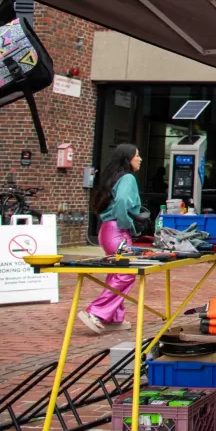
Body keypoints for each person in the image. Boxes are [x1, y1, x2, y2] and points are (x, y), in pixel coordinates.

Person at [79, 143, 145, 334]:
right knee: (127, 272)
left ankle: (114, 316)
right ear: (128, 159)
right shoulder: (128, 178)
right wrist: (127, 224)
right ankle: (97, 312)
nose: (139, 159)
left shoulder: (113, 177)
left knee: (116, 272)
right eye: (137, 155)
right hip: (117, 231)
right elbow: (123, 201)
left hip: (107, 230)